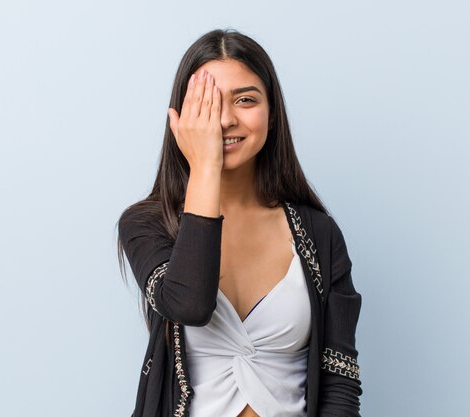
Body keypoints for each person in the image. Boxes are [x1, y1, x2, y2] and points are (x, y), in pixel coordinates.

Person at [117, 28, 362, 417]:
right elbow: (190, 304)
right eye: (208, 105)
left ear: (272, 113)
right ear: (182, 118)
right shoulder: (147, 224)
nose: (226, 119)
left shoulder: (319, 234)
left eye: (245, 100)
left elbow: (339, 379)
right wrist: (205, 167)